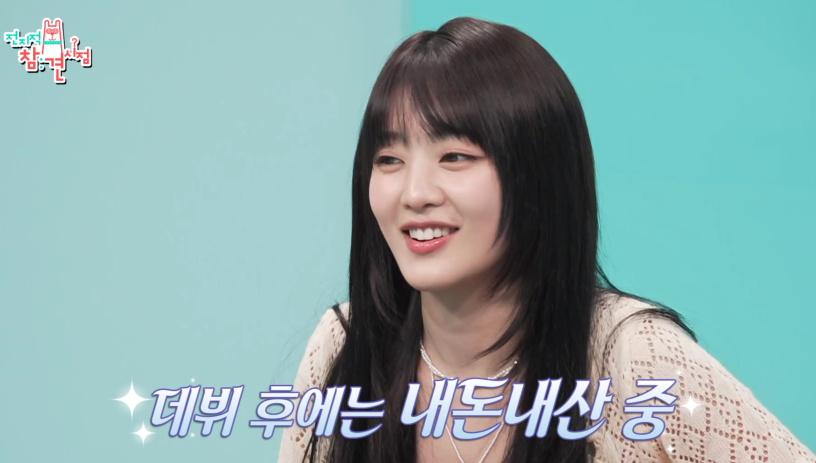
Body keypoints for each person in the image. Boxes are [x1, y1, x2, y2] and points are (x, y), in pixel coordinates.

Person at [277, 16, 815, 463]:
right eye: (389, 159)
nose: (414, 194)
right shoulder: (344, 346)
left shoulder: (633, 360)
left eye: (455, 157)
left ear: (538, 175)